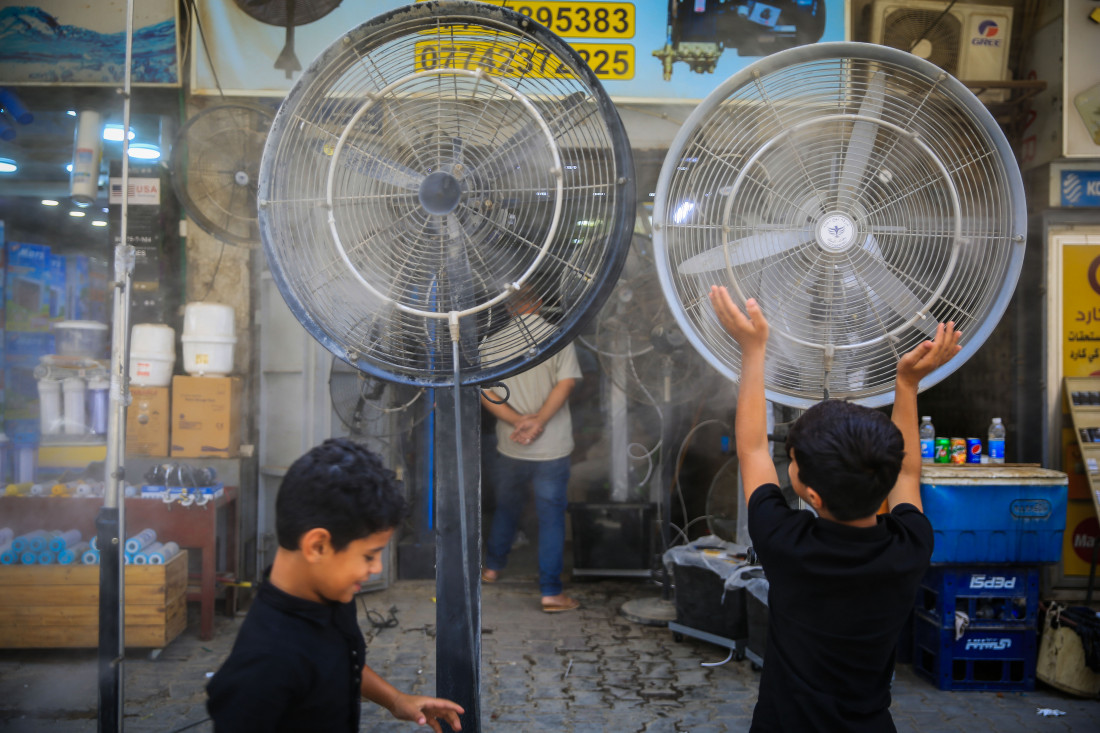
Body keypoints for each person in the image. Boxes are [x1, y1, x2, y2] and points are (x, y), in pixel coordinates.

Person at [709, 285, 961, 732]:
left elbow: (750, 449)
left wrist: (752, 351)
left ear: (814, 496)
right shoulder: (907, 546)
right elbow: (907, 475)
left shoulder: (786, 543)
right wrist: (907, 383)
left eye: (794, 463)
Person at [206, 438, 464, 733]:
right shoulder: (264, 666)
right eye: (369, 555)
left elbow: (340, 662)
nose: (377, 568)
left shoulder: (332, 592)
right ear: (317, 546)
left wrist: (395, 700)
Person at [479, 287, 582, 613]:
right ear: (538, 304)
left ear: (509, 309)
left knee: (508, 508)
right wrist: (539, 422)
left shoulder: (491, 344)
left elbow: (485, 392)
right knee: (551, 519)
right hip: (551, 448)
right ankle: (551, 593)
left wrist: (517, 422)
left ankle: (492, 569)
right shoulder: (558, 337)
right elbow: (566, 383)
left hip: (511, 446)